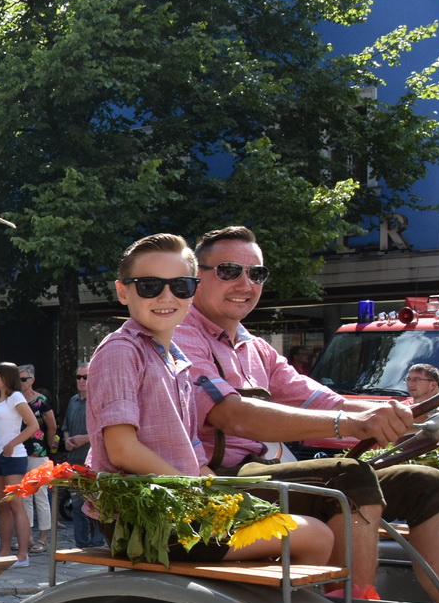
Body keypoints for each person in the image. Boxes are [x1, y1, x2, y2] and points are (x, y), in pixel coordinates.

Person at [175, 226, 439, 603]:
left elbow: (327, 400)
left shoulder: (254, 348)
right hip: (211, 484)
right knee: (348, 475)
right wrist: (348, 424)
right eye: (229, 271)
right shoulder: (181, 337)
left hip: (258, 475)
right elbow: (232, 416)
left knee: (426, 482)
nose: (245, 283)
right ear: (194, 277)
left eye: (257, 274)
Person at [90, 233, 332, 564]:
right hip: (149, 518)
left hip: (181, 509)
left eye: (180, 287)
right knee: (316, 534)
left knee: (310, 516)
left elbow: (191, 453)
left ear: (193, 291)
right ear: (122, 291)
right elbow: (122, 449)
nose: (166, 296)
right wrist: (198, 491)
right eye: (149, 286)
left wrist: (225, 497)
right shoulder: (121, 349)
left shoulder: (175, 358)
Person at [0, 362, 40, 567]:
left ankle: (23, 555)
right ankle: (4, 551)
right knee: (3, 507)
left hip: (14, 457)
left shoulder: (16, 397)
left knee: (16, 506)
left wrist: (12, 444)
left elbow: (33, 424)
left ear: (7, 376)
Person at [17, 364, 58, 553]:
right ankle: (28, 536)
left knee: (40, 494)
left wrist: (50, 445)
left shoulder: (40, 400)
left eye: (24, 379)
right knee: (24, 495)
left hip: (38, 451)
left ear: (32, 380)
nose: (21, 383)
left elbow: (52, 425)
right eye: (18, 379)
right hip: (19, 451)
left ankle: (43, 536)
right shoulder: (15, 399)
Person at [61, 366, 103, 546]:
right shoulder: (73, 400)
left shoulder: (99, 400)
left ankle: (99, 541)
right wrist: (67, 439)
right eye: (78, 376)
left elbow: (104, 430)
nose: (81, 380)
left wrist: (84, 439)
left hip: (93, 460)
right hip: (75, 459)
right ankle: (81, 542)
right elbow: (66, 427)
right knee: (77, 503)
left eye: (85, 377)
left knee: (96, 502)